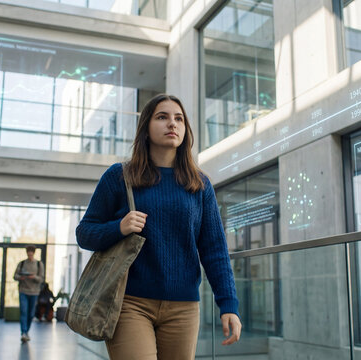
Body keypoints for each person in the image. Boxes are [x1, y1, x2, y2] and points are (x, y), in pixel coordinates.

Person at [76, 94, 242, 359]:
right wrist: (119, 227)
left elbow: (215, 251)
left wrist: (229, 305)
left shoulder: (199, 185)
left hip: (184, 308)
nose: (172, 124)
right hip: (129, 303)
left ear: (186, 129)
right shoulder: (119, 176)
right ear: (146, 128)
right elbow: (84, 233)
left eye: (179, 118)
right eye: (162, 117)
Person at [13, 245, 44, 342]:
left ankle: (27, 331)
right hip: (23, 291)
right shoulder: (21, 264)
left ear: (34, 253)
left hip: (34, 292)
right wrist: (20, 277)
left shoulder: (39, 264)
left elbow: (41, 279)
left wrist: (34, 277)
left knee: (30, 314)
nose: (29, 254)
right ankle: (23, 332)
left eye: (31, 252)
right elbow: (15, 276)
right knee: (23, 311)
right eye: (28, 252)